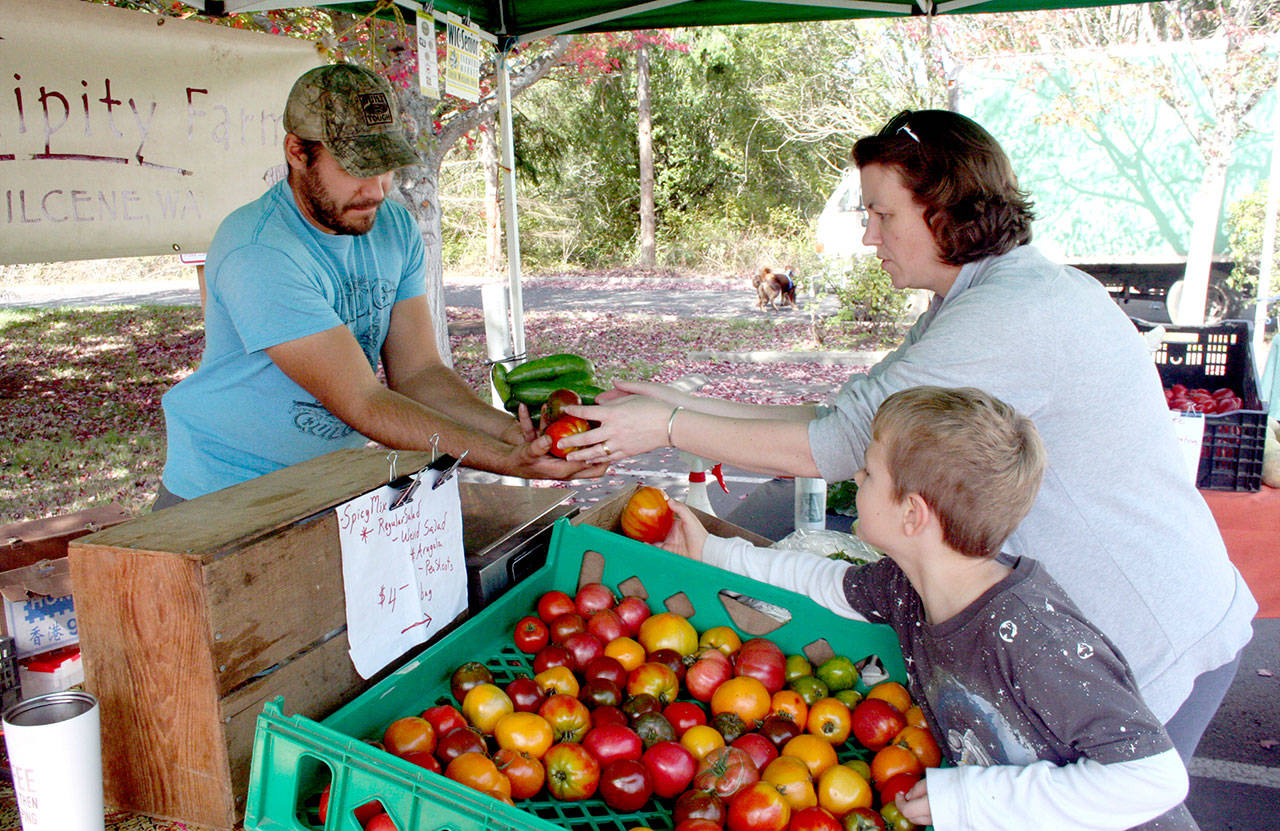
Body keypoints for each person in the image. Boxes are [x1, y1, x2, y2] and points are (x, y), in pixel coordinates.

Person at [563, 109, 1256, 759]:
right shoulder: (979, 298)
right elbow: (848, 420)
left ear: (946, 211)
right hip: (1095, 624)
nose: (869, 235)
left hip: (1149, 628)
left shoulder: (1010, 315)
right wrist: (679, 402)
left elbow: (837, 447)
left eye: (881, 213)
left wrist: (668, 425)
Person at [662, 386, 1196, 831]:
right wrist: (714, 550)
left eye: (868, 475)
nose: (855, 481)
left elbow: (1153, 779)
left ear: (913, 514)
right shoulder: (911, 587)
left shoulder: (1030, 636)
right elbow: (823, 582)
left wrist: (968, 799)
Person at [157, 64, 602, 507]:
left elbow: (420, 373)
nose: (376, 188)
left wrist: (513, 434)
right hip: (221, 491)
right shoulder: (259, 250)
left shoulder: (393, 227)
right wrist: (508, 461)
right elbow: (364, 402)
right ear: (297, 152)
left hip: (325, 480)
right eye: (356, 168)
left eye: (385, 166)